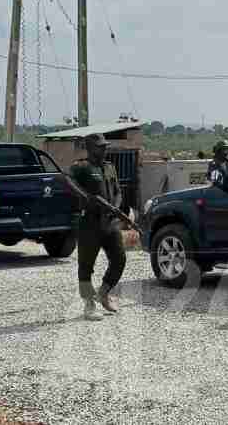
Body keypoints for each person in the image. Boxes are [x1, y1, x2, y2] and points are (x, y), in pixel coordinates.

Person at [70, 133, 127, 321]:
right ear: (90, 148)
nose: (104, 149)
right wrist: (86, 197)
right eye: (100, 147)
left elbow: (117, 191)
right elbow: (68, 181)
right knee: (86, 265)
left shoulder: (109, 167)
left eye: (105, 146)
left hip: (110, 221)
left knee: (119, 258)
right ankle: (89, 304)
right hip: (89, 223)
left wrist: (116, 208)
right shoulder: (82, 167)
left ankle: (103, 293)